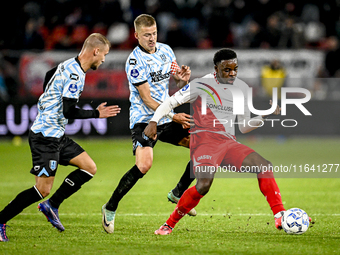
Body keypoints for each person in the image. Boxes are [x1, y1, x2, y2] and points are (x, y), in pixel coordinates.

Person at [144, 48, 309, 235]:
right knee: (203, 185)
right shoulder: (200, 85)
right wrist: (153, 121)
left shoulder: (242, 88)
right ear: (216, 69)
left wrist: (265, 114)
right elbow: (169, 103)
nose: (232, 74)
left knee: (264, 166)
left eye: (235, 69)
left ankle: (280, 215)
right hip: (204, 142)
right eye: (227, 70)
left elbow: (245, 126)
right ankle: (168, 225)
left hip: (228, 143)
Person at [0, 33, 120, 242]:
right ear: (96, 51)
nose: (103, 60)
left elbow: (49, 74)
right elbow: (68, 111)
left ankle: (52, 205)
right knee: (42, 189)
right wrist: (96, 114)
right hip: (45, 137)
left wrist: (47, 99)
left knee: (89, 167)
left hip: (56, 134)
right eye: (104, 55)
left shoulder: (67, 64)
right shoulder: (75, 75)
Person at [101, 14, 195, 234]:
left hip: (166, 116)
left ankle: (178, 193)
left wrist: (182, 79)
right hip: (145, 120)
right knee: (144, 165)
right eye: (146, 35)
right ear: (136, 36)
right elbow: (147, 99)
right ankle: (110, 207)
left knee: (205, 149)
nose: (151, 38)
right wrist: (173, 116)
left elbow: (176, 82)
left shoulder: (166, 50)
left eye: (154, 33)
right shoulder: (134, 62)